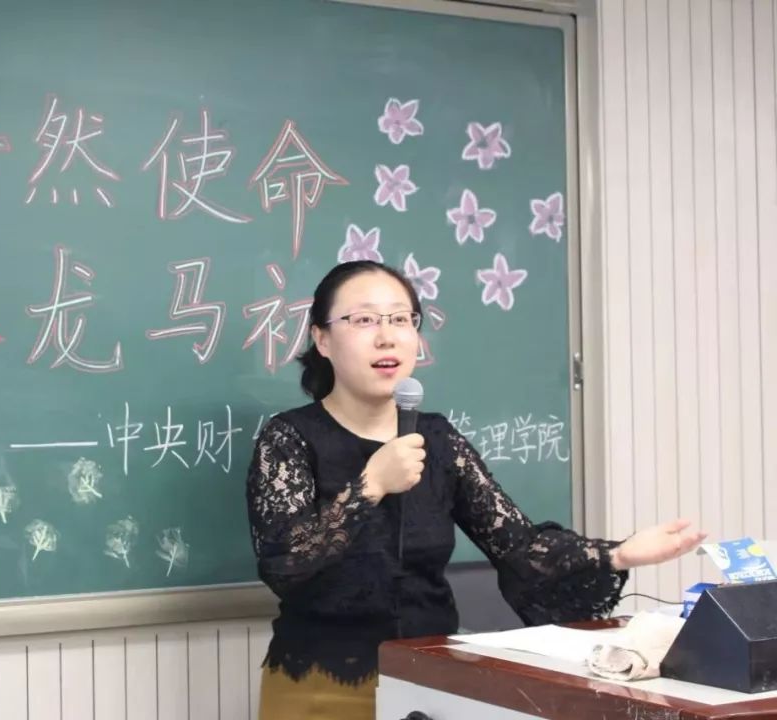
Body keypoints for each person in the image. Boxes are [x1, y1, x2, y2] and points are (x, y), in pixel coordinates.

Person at [245, 260, 706, 720]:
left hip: (431, 685)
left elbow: (519, 547)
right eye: (364, 319)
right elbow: (285, 564)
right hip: (322, 685)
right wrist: (371, 485)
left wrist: (619, 553)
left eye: (401, 319)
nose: (387, 336)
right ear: (322, 339)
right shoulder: (289, 439)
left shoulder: (438, 439)